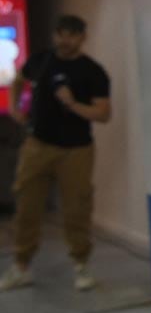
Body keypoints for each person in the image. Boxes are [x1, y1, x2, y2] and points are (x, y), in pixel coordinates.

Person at [0, 15, 110, 292]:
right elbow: (17, 81)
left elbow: (104, 113)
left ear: (82, 37)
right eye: (61, 33)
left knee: (77, 207)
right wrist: (15, 109)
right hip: (37, 145)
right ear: (55, 35)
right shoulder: (41, 61)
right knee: (26, 205)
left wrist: (73, 104)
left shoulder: (92, 72)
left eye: (72, 34)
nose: (65, 40)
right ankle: (21, 266)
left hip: (76, 149)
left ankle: (81, 265)